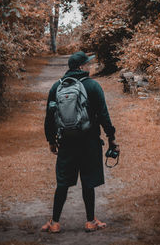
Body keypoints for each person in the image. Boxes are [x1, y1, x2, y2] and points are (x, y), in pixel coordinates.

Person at [41, 51, 119, 233]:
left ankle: (55, 223)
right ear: (81, 67)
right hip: (89, 141)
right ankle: (90, 221)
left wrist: (51, 140)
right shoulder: (93, 86)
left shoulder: (57, 87)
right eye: (88, 64)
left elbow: (49, 117)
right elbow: (103, 115)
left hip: (67, 142)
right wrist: (111, 138)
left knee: (62, 182)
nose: (90, 67)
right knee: (88, 181)